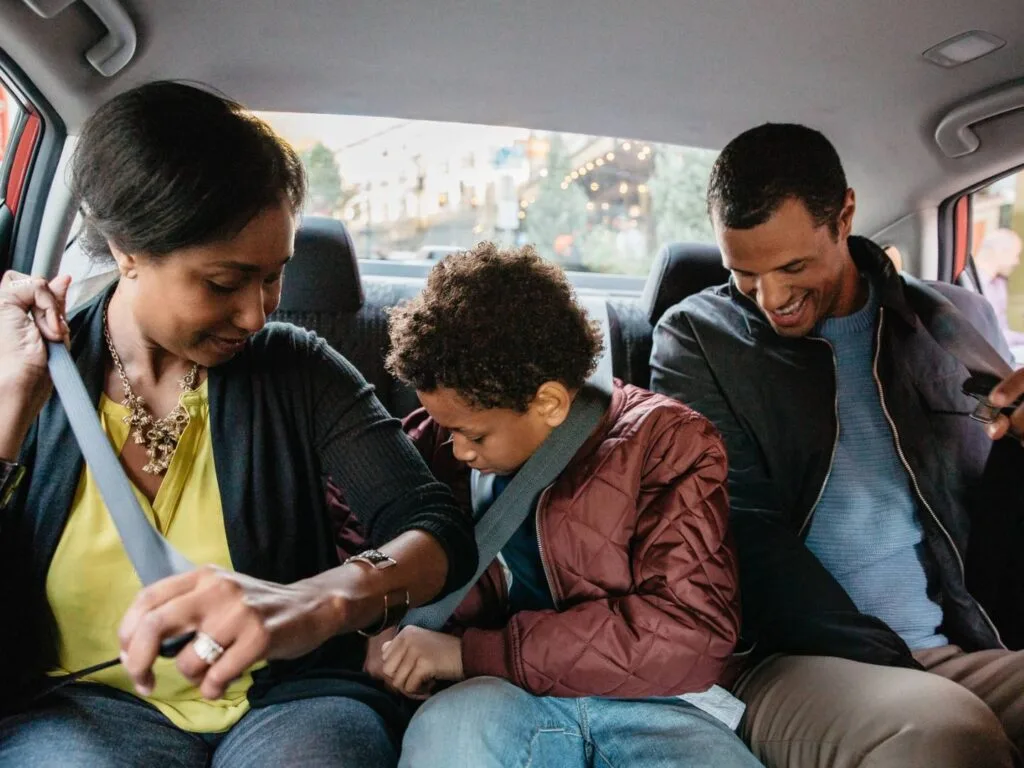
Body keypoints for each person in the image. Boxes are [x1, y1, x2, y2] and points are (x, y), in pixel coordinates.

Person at [0, 81, 477, 767]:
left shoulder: (297, 368)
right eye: (225, 283)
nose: (258, 314)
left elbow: (434, 526)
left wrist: (320, 603)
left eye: (274, 277)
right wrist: (8, 412)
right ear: (127, 249)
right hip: (82, 712)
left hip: (290, 702)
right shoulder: (33, 371)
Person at [650, 123, 1024, 767]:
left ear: (845, 215)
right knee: (945, 734)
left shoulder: (952, 325)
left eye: (792, 267)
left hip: (955, 648)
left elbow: (990, 525)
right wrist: (894, 666)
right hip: (791, 662)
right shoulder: (695, 341)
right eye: (744, 272)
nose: (770, 299)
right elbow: (744, 534)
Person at [356, 244, 761, 767]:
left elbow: (688, 629)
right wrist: (377, 621)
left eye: (472, 434)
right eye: (447, 430)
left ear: (549, 403)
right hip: (490, 697)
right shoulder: (440, 439)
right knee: (449, 745)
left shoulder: (666, 442)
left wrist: (471, 653)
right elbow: (361, 521)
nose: (456, 449)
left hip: (656, 701)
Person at [974, 227, 1024, 346]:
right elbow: (990, 335)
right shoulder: (972, 283)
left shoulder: (1000, 284)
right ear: (1000, 251)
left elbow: (1002, 331)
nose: (1016, 262)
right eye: (1015, 255)